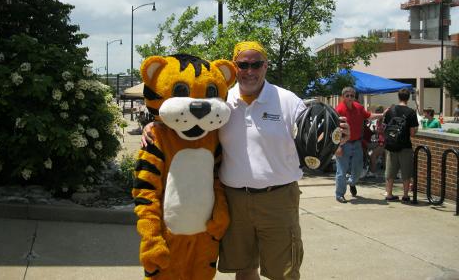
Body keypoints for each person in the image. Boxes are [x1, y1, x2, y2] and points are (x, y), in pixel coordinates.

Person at [141, 41, 350, 279]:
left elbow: (314, 134)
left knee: (284, 272)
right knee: (245, 269)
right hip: (235, 200)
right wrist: (156, 125)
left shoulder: (287, 100)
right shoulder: (222, 101)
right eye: (243, 65)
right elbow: (190, 127)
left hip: (278, 199)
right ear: (234, 67)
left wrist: (339, 138)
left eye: (256, 64)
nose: (250, 71)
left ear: (265, 66)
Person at [334, 87, 384, 203]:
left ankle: (352, 183)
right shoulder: (339, 110)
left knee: (358, 169)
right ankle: (339, 194)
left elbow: (369, 116)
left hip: (357, 143)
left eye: (352, 95)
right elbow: (334, 130)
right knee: (341, 171)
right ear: (343, 97)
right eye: (347, 96)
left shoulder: (358, 107)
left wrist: (382, 114)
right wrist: (338, 146)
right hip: (343, 143)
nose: (350, 98)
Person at [383, 88, 419, 202]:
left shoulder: (390, 110)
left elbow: (385, 128)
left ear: (398, 97)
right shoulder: (411, 112)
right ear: (408, 98)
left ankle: (389, 194)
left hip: (391, 145)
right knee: (406, 171)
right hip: (405, 146)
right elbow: (412, 133)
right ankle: (405, 196)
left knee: (390, 171)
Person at [366, 106, 386, 178]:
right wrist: (375, 131)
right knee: (383, 158)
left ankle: (373, 172)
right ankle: (386, 173)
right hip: (379, 141)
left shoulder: (384, 121)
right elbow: (378, 132)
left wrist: (378, 131)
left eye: (378, 113)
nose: (377, 115)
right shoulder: (378, 121)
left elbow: (385, 132)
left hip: (383, 143)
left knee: (373, 155)